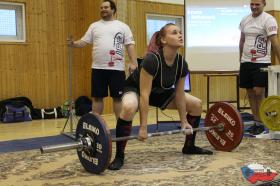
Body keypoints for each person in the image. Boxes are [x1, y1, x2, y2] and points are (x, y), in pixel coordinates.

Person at [108, 23, 213, 171]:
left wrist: (184, 122)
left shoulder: (182, 63)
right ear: (163, 40)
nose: (180, 35)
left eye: (180, 32)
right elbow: (144, 95)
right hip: (136, 89)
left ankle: (189, 146)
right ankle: (119, 156)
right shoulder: (152, 60)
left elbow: (179, 94)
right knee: (129, 107)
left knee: (196, 104)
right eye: (174, 33)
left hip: (158, 92)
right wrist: (143, 127)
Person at [68, 0, 137, 119]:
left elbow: (130, 45)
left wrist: (134, 62)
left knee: (118, 98)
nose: (103, 9)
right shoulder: (94, 26)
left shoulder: (123, 26)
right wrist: (73, 43)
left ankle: (120, 126)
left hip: (117, 69)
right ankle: (96, 126)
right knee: (97, 98)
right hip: (98, 69)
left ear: (113, 10)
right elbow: (84, 42)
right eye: (101, 8)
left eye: (106, 7)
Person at [239, 0, 280, 135]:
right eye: (252, 4)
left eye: (257, 4)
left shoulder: (269, 20)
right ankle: (257, 122)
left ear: (264, 4)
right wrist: (241, 60)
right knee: (250, 94)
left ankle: (264, 122)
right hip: (246, 62)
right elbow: (242, 40)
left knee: (259, 92)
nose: (254, 7)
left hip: (262, 62)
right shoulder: (245, 19)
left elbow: (275, 43)